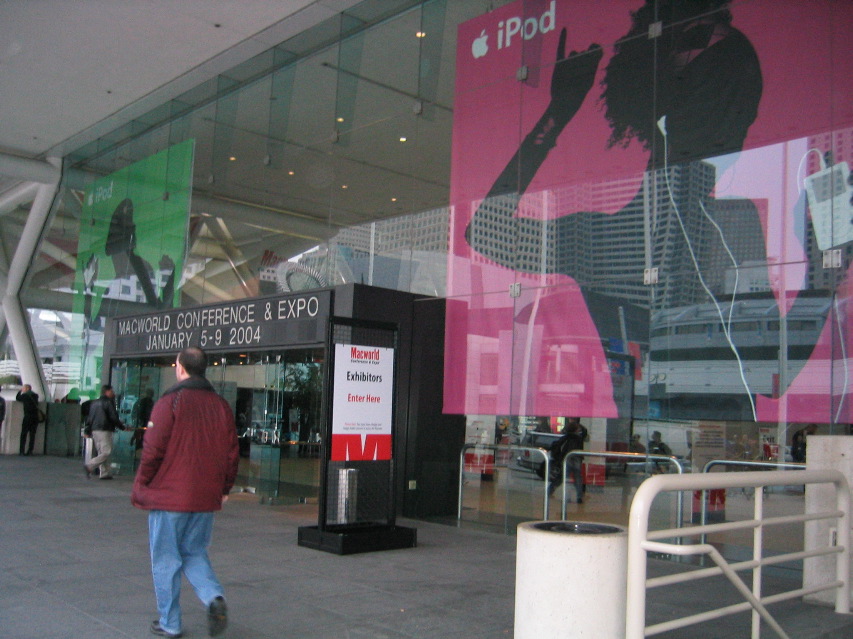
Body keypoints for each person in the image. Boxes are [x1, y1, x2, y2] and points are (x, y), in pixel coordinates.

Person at [463, 1, 834, 418]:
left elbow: (772, 376)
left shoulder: (725, 225)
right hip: (665, 435)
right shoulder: (611, 241)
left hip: (703, 439)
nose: (733, 124)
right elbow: (486, 232)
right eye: (716, 94)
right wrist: (823, 269)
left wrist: (559, 112)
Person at [132, 347, 238, 638]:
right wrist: (224, 487)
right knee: (194, 551)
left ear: (180, 367)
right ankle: (214, 597)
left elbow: (152, 450)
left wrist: (141, 484)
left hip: (169, 495)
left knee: (166, 559)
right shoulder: (221, 406)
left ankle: (170, 622)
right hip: (204, 497)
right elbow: (232, 453)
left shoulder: (170, 401)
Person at [84, 384, 125, 479]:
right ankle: (90, 466)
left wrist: (87, 430)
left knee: (101, 452)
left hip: (95, 430)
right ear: (107, 392)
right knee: (106, 452)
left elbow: (90, 418)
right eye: (111, 391)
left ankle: (104, 473)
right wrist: (122, 427)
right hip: (105, 429)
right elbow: (113, 417)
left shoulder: (94, 403)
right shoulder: (108, 402)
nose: (113, 393)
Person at [547, 418, 588, 503]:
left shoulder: (566, 437)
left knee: (562, 477)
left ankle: (550, 491)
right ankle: (579, 496)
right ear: (577, 430)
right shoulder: (579, 438)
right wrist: (578, 424)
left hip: (567, 458)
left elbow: (555, 444)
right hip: (577, 458)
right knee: (577, 477)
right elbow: (585, 431)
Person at [16, 383, 40, 456]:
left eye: (23, 388)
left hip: (27, 416)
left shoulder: (25, 396)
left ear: (27, 389)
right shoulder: (35, 395)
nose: (23, 389)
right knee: (32, 435)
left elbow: (18, 398)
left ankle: (22, 451)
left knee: (24, 434)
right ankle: (30, 451)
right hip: (35, 417)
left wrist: (19, 391)